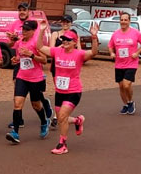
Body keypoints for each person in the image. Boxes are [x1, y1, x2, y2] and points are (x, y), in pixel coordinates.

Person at [37, 20, 99, 154]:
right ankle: (77, 121)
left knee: (62, 116)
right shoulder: (57, 51)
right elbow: (40, 47)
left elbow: (94, 52)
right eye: (63, 39)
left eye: (68, 40)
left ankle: (62, 144)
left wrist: (94, 36)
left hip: (74, 91)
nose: (64, 42)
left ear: (74, 42)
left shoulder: (79, 54)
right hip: (60, 91)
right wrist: (41, 31)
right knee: (60, 118)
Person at [6, 2, 53, 129]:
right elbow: (10, 44)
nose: (22, 12)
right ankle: (18, 121)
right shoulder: (14, 24)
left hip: (34, 65)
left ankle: (44, 104)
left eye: (24, 10)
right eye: (20, 10)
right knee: (18, 93)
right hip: (21, 62)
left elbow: (39, 46)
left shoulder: (34, 25)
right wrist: (13, 41)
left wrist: (31, 54)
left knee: (35, 101)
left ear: (28, 11)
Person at [108, 13, 141, 115]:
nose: (123, 22)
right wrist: (112, 53)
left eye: (126, 20)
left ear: (129, 21)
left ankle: (130, 101)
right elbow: (110, 45)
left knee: (126, 84)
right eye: (122, 20)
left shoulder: (135, 33)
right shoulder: (116, 34)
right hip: (119, 64)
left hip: (131, 63)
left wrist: (137, 53)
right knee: (121, 86)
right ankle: (126, 104)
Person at [48, 15, 81, 128]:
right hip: (57, 66)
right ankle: (60, 114)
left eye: (68, 22)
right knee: (59, 88)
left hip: (69, 66)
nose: (65, 23)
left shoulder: (75, 36)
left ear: (71, 23)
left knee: (67, 89)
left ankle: (60, 116)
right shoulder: (55, 34)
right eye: (64, 21)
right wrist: (63, 45)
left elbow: (79, 50)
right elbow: (51, 48)